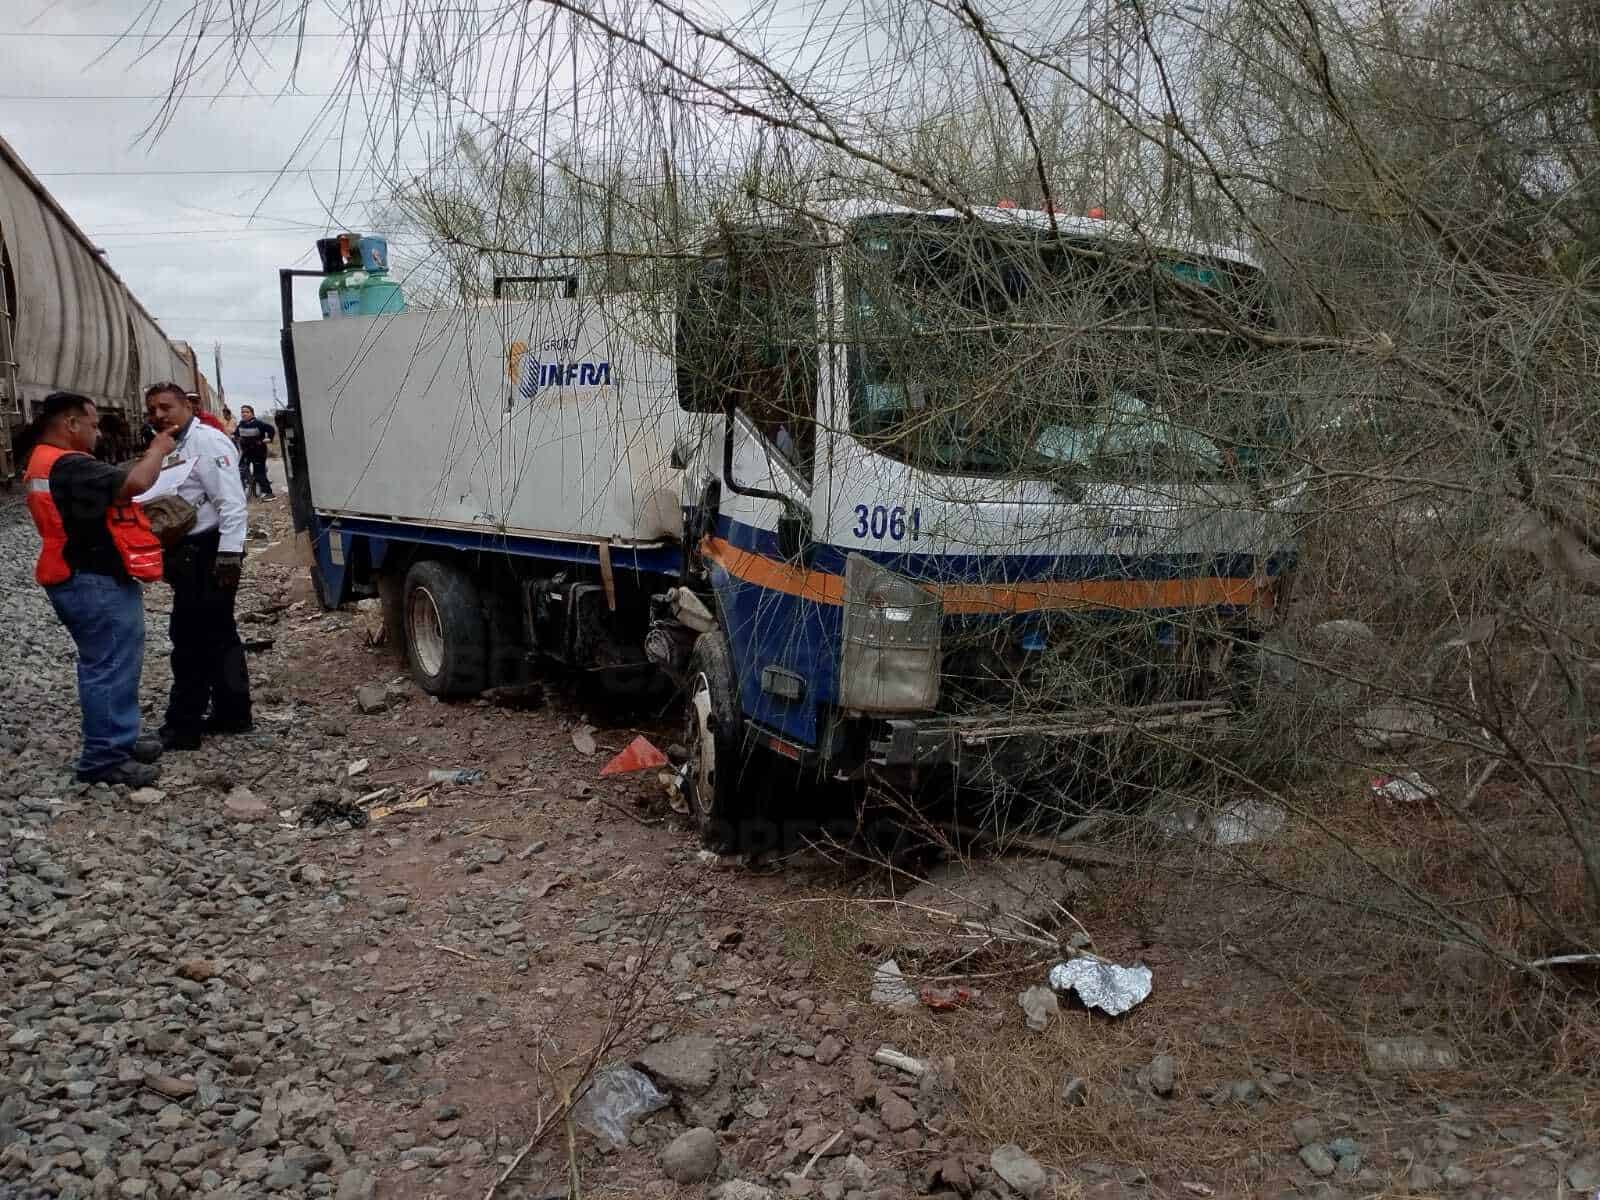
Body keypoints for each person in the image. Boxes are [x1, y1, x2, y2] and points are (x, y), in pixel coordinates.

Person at [23, 392, 175, 785]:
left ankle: (117, 740)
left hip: (75, 574)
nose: (96, 433)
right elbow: (137, 482)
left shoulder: (45, 461)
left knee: (112, 661)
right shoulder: (68, 465)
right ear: (71, 424)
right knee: (109, 665)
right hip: (91, 579)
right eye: (92, 425)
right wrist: (158, 449)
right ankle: (104, 758)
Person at [142, 382, 252, 750]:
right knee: (220, 636)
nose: (158, 415)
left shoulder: (206, 441)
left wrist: (229, 555)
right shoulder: (172, 443)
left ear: (187, 406)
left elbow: (232, 502)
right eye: (152, 410)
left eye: (165, 407)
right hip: (190, 553)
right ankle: (232, 713)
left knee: (189, 641)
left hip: (209, 552)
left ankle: (182, 727)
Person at [233, 405, 276, 500]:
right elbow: (236, 435)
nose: (244, 414)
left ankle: (269, 493)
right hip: (246, 452)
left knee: (259, 473)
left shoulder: (258, 423)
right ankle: (248, 489)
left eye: (247, 412)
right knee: (241, 470)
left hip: (258, 452)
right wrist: (237, 438)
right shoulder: (241, 425)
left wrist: (268, 439)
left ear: (252, 413)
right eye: (242, 412)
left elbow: (271, 429)